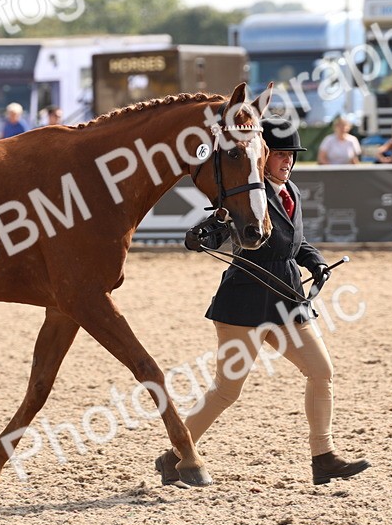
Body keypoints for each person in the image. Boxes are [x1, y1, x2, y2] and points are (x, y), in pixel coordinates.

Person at [158, 117, 369, 487]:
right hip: (245, 302)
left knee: (321, 372)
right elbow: (224, 224)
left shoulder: (292, 191)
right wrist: (203, 234)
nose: (287, 161)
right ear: (264, 155)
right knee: (227, 391)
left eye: (292, 155)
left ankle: (323, 457)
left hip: (288, 298)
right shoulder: (248, 193)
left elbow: (294, 241)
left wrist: (315, 262)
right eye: (281, 154)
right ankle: (176, 455)